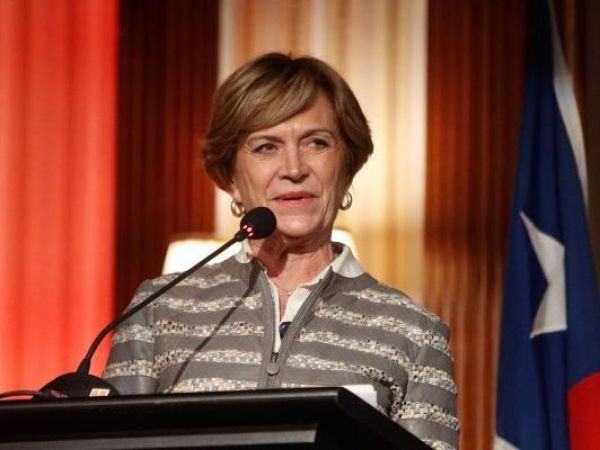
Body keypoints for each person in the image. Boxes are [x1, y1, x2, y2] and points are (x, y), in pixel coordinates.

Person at [103, 53, 459, 449]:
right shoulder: (157, 310)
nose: (293, 168)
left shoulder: (414, 333)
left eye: (317, 143)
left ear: (347, 168)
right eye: (266, 147)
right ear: (230, 178)